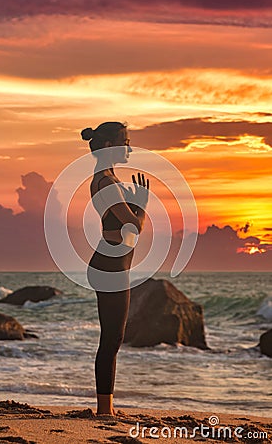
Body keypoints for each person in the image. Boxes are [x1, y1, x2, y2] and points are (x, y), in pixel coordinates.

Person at [81, 121, 149, 416]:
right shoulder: (106, 182)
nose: (130, 148)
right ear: (109, 146)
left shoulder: (108, 178)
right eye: (125, 141)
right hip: (109, 266)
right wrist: (141, 205)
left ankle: (106, 407)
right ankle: (104, 410)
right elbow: (133, 227)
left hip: (113, 264)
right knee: (112, 339)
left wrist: (133, 204)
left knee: (113, 338)